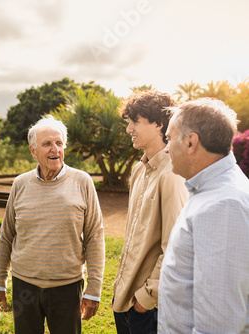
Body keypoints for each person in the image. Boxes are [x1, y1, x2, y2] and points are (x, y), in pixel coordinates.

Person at [0, 115, 105, 334]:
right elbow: (6, 236)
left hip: (67, 288)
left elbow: (95, 236)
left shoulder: (82, 181)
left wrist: (94, 288)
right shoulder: (20, 183)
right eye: (47, 144)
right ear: (33, 151)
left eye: (59, 143)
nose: (55, 149)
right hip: (24, 286)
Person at [159, 98, 249, 333]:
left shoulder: (223, 204)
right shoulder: (209, 191)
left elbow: (220, 323)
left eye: (168, 138)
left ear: (191, 142)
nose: (166, 148)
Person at [112, 90, 188, 333]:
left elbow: (175, 247)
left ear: (159, 125)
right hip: (123, 299)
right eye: (128, 122)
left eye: (135, 122)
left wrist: (145, 300)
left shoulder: (172, 175)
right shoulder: (138, 170)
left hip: (145, 308)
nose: (128, 129)